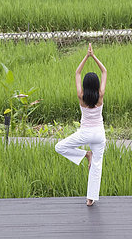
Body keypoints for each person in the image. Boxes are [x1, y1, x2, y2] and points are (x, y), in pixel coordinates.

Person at [55, 42, 107, 206]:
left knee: (60, 147)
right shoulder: (100, 95)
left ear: (85, 85)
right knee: (96, 167)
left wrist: (86, 56)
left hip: (85, 133)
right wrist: (94, 56)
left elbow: (77, 73)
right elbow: (104, 71)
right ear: (97, 84)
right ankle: (90, 199)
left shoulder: (81, 96)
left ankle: (85, 154)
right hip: (99, 134)